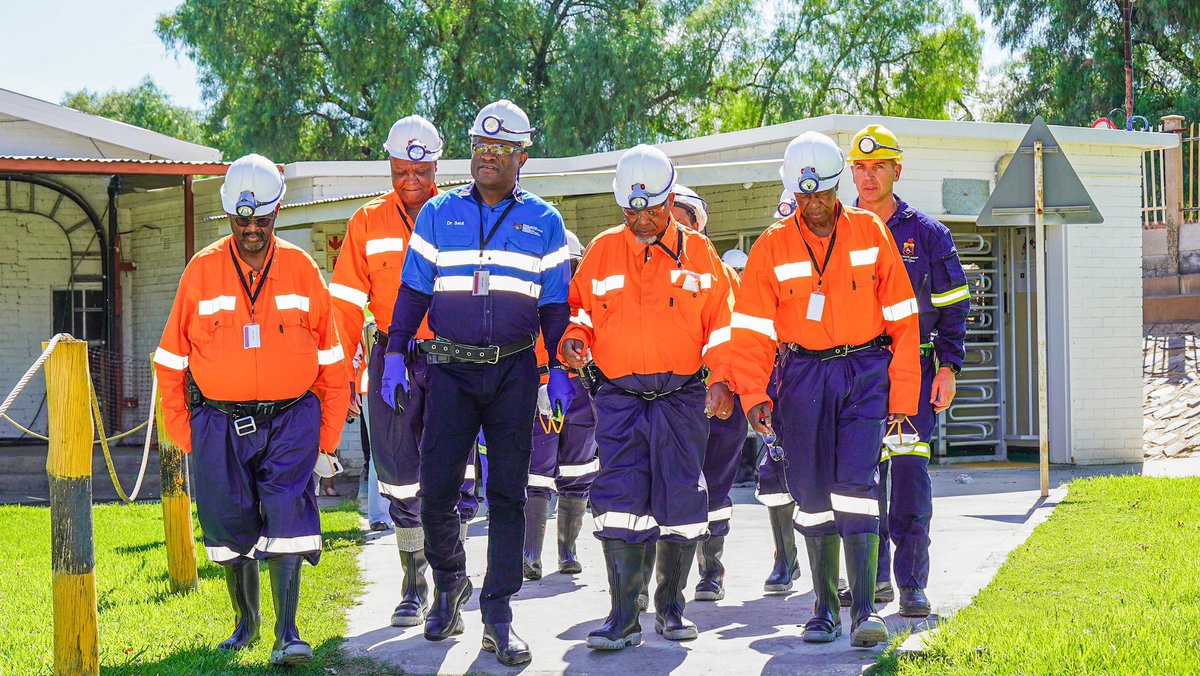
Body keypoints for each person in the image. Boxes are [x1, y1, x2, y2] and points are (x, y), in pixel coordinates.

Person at [380, 99, 572, 666]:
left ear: (522, 157)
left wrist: (555, 368)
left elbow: (555, 307)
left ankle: (499, 615)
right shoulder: (437, 214)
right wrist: (394, 352)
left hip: (513, 371)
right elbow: (413, 290)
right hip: (450, 371)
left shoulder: (546, 221)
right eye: (480, 148)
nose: (487, 158)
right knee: (436, 490)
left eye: (500, 150)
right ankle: (449, 586)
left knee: (508, 495)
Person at [153, 153, 350, 666]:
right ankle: (246, 625)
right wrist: (185, 433)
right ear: (229, 217)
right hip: (218, 422)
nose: (252, 231)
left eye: (262, 220)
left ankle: (289, 633)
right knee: (229, 523)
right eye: (243, 221)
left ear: (277, 213)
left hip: (291, 418)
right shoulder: (201, 271)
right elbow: (171, 359)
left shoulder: (303, 268)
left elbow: (332, 360)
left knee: (287, 513)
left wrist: (326, 439)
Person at [727, 131, 920, 648]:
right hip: (802, 377)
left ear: (838, 188)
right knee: (811, 495)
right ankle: (823, 608)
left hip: (863, 373)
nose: (815, 205)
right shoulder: (771, 246)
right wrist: (753, 395)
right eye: (805, 195)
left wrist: (902, 399)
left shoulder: (869, 232)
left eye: (824, 194)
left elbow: (903, 316)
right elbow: (750, 332)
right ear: (794, 191)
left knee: (856, 485)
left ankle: (863, 613)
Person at [560, 145, 735, 651]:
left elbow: (722, 326)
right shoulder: (601, 251)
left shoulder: (701, 254)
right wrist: (576, 334)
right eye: (630, 210)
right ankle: (622, 616)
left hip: (682, 399)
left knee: (681, 498)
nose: (639, 219)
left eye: (651, 210)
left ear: (670, 198)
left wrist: (722, 378)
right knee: (619, 503)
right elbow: (581, 308)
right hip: (617, 398)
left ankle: (672, 606)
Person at [329, 115, 477, 629]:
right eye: (400, 170)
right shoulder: (365, 224)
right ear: (389, 166)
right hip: (393, 358)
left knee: (451, 474)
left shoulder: (463, 214)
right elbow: (346, 305)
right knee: (397, 475)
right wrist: (342, 379)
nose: (410, 180)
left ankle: (447, 581)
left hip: (454, 358)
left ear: (436, 165)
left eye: (420, 169)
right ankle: (414, 583)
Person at [843, 123, 969, 617]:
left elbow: (954, 307)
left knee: (910, 475)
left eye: (878, 167)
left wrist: (949, 367)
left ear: (898, 169)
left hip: (912, 373)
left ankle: (912, 584)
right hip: (853, 375)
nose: (869, 177)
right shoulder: (838, 227)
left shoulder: (928, 234)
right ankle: (869, 580)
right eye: (860, 167)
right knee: (858, 480)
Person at [670, 185, 749, 603]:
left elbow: (740, 338)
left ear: (698, 226)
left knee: (716, 485)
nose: (673, 226)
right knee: (675, 485)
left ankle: (711, 570)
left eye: (683, 220)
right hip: (672, 397)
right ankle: (665, 581)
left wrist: (732, 386)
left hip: (721, 393)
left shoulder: (725, 275)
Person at [523, 230, 597, 581]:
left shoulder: (589, 296)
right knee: (538, 472)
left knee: (578, 471)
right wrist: (540, 381)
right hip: (544, 388)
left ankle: (567, 552)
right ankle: (530, 554)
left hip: (581, 389)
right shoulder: (534, 299)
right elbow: (531, 343)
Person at [756, 190, 802, 596]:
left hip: (812, 377)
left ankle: (833, 566)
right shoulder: (766, 265)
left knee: (828, 476)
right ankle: (785, 559)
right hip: (773, 382)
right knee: (773, 474)